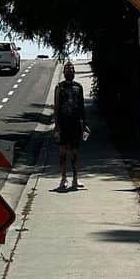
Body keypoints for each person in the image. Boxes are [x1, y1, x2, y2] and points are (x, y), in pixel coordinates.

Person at [53, 60, 88, 190]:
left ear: (74, 72)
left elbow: (82, 106)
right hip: (63, 124)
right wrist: (57, 126)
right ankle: (63, 178)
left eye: (71, 70)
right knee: (62, 152)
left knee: (75, 153)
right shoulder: (59, 87)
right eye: (67, 70)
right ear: (64, 72)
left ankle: (75, 179)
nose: (69, 72)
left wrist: (85, 123)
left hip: (75, 124)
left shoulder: (78, 87)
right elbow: (56, 107)